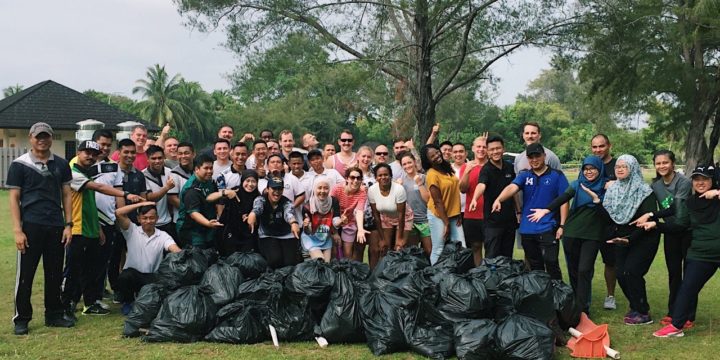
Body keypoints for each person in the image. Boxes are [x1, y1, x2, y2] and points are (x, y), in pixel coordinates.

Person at [64, 140, 145, 317]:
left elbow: (91, 204)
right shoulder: (73, 173)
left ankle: (90, 303)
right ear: (78, 152)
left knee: (91, 269)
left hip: (91, 228)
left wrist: (98, 229)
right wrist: (125, 194)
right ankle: (66, 305)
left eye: (94, 154)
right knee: (74, 270)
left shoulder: (87, 172)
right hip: (77, 228)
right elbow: (99, 187)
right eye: (87, 153)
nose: (90, 157)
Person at [10, 122, 75, 335]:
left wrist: (68, 224)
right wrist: (18, 230)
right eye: (38, 136)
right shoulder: (20, 165)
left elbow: (67, 194)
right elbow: (14, 198)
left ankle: (54, 314)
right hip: (30, 226)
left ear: (51, 138)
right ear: (31, 138)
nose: (42, 140)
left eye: (46, 136)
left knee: (54, 273)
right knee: (25, 275)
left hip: (56, 225)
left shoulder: (61, 164)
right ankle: (22, 318)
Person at [644, 165, 720, 337]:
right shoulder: (690, 203)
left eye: (705, 179)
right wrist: (656, 224)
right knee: (687, 288)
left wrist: (717, 193)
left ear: (712, 180)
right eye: (696, 179)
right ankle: (677, 325)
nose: (700, 183)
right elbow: (679, 224)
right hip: (701, 254)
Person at [528, 155, 608, 315]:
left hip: (592, 235)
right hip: (572, 232)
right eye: (586, 169)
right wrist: (546, 210)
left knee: (585, 270)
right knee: (573, 269)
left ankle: (583, 307)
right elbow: (562, 198)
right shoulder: (577, 184)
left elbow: (607, 215)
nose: (589, 172)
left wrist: (596, 199)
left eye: (592, 168)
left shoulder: (607, 187)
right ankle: (577, 305)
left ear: (599, 169)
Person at [633, 150, 692, 326]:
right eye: (658, 163)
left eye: (665, 162)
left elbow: (677, 209)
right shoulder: (656, 185)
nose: (662, 166)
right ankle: (673, 311)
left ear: (673, 163)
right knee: (674, 273)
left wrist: (652, 215)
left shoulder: (684, 182)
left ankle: (689, 315)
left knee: (689, 275)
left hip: (688, 231)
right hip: (670, 232)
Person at [491, 143, 568, 279]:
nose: (534, 160)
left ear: (544, 156)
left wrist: (562, 225)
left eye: (537, 156)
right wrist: (499, 199)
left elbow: (564, 201)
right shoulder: (525, 175)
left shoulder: (557, 175)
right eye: (530, 157)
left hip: (548, 227)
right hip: (527, 229)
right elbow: (512, 187)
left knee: (551, 263)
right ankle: (541, 295)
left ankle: (558, 295)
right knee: (535, 266)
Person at [601, 154, 659, 325]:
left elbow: (647, 220)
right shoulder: (613, 190)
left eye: (624, 166)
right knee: (620, 273)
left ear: (632, 169)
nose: (619, 169)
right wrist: (598, 202)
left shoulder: (644, 191)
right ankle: (634, 306)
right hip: (622, 238)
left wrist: (630, 239)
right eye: (617, 166)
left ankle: (643, 311)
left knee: (633, 271)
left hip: (643, 237)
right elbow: (610, 216)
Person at [115, 201, 180, 315]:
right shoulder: (132, 230)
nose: (148, 221)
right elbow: (118, 213)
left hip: (152, 277)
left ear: (157, 219)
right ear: (139, 219)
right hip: (133, 276)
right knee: (124, 277)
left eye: (151, 218)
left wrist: (181, 254)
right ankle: (128, 302)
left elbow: (174, 249)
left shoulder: (163, 235)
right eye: (144, 218)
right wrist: (140, 204)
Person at [469, 136, 518, 259]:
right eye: (492, 149)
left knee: (507, 257)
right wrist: (475, 198)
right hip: (493, 222)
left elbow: (514, 190)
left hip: (510, 220)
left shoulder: (509, 167)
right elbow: (481, 185)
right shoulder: (486, 169)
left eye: (498, 148)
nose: (495, 152)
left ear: (503, 149)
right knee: (492, 257)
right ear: (488, 152)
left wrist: (519, 211)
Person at [176, 154, 236, 249]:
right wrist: (208, 223)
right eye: (206, 168)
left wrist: (224, 193)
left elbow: (210, 197)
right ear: (197, 169)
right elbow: (194, 213)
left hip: (208, 226)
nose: (209, 171)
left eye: (211, 168)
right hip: (191, 229)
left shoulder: (209, 181)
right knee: (197, 256)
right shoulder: (191, 189)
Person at [420, 143, 465, 264]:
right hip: (438, 215)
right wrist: (446, 224)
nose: (436, 156)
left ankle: (457, 276)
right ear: (428, 160)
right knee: (438, 248)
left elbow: (454, 193)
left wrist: (458, 213)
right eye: (432, 156)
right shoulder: (431, 174)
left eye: (437, 152)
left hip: (453, 214)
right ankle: (435, 277)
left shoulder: (447, 168)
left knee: (461, 247)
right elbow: (438, 201)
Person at [247, 176, 302, 269]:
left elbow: (289, 214)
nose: (277, 191)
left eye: (280, 189)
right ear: (268, 189)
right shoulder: (261, 199)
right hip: (267, 234)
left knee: (290, 263)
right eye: (274, 188)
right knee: (275, 260)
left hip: (286, 234)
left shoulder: (287, 202)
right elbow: (257, 209)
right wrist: (252, 215)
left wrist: (293, 223)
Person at [590, 133, 618, 310]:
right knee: (586, 261)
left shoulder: (618, 165)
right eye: (594, 147)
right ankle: (584, 294)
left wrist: (615, 183)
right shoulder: (590, 165)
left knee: (611, 261)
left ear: (609, 146)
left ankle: (610, 296)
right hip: (592, 221)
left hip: (612, 222)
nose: (598, 150)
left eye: (601, 146)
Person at [368, 163, 413, 268]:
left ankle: (399, 275)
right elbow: (376, 215)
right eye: (380, 175)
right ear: (376, 177)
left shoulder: (399, 189)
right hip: (386, 217)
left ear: (391, 176)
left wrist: (400, 238)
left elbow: (401, 215)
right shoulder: (372, 190)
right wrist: (382, 238)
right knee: (384, 247)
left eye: (386, 174)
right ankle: (381, 275)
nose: (383, 177)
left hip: (404, 218)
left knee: (399, 247)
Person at [459, 135, 487, 265]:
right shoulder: (466, 166)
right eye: (479, 146)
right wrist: (467, 172)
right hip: (472, 213)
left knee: (491, 248)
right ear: (473, 148)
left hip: (489, 214)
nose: (481, 149)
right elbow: (463, 189)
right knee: (475, 246)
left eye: (484, 147)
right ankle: (477, 275)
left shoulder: (491, 166)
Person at [217, 170, 260, 256]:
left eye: (253, 181)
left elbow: (258, 219)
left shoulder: (258, 197)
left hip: (248, 234)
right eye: (247, 181)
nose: (250, 184)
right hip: (232, 231)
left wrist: (250, 218)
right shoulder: (234, 192)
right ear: (242, 181)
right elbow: (225, 213)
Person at [398, 152, 432, 256]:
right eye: (404, 164)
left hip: (425, 220)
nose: (407, 166)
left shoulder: (424, 178)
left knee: (429, 250)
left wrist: (419, 184)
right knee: (413, 252)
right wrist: (398, 187)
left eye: (409, 162)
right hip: (410, 222)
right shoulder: (401, 181)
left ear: (414, 162)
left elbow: (428, 200)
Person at [331, 167, 368, 260]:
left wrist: (360, 229)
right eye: (352, 177)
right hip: (334, 220)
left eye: (358, 178)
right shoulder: (337, 189)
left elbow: (359, 210)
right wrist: (334, 231)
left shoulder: (362, 192)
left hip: (349, 223)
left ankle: (347, 272)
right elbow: (329, 208)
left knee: (347, 253)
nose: (355, 181)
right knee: (334, 252)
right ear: (347, 178)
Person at [301, 178, 342, 262]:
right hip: (311, 238)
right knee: (320, 262)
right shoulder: (307, 206)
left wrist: (341, 221)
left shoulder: (333, 201)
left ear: (329, 189)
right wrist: (306, 225)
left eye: (326, 188)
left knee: (327, 264)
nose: (322, 191)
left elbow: (335, 221)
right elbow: (307, 231)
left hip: (325, 237)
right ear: (314, 189)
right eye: (319, 188)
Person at [142, 145, 177, 239]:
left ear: (164, 158)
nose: (157, 161)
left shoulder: (170, 172)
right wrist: (166, 188)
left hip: (168, 221)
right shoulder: (143, 175)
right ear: (148, 159)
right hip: (151, 223)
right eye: (153, 158)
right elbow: (149, 198)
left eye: (160, 158)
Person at [167, 142, 195, 223]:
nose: (183, 156)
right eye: (180, 154)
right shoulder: (174, 174)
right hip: (182, 220)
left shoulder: (198, 170)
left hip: (200, 219)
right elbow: (172, 199)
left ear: (193, 154)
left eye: (186, 153)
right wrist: (193, 211)